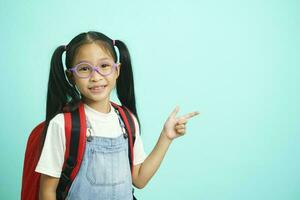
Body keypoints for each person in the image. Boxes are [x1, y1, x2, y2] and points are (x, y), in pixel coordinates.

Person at [35, 31, 199, 200]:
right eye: (84, 69)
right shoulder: (63, 124)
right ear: (71, 76)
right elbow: (47, 191)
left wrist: (166, 137)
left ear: (117, 70)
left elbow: (139, 179)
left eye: (104, 66)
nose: (96, 77)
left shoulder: (127, 120)